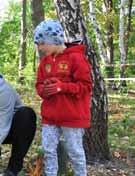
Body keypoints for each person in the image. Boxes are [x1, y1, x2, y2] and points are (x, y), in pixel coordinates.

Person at [34, 19, 92, 176]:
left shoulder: (76, 58)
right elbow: (38, 84)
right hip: (50, 117)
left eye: (41, 43)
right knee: (48, 150)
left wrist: (61, 87)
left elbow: (86, 87)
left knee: (75, 151)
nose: (39, 47)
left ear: (52, 40)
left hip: (72, 116)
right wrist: (44, 90)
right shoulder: (44, 62)